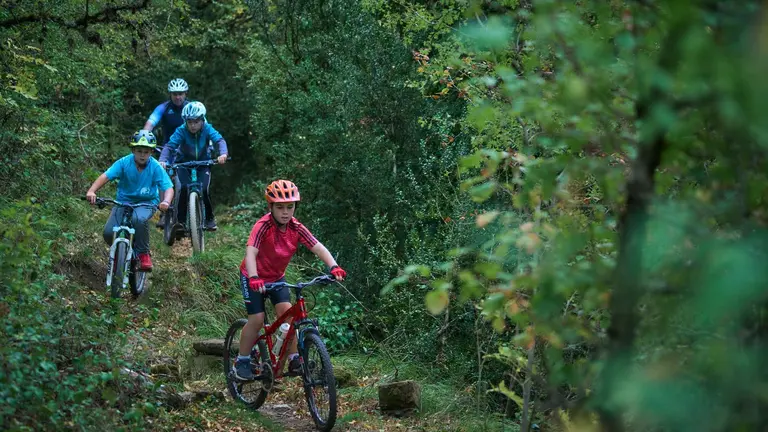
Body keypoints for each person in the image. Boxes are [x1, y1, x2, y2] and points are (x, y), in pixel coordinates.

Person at [234, 180, 347, 381]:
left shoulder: (296, 227)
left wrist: (333, 266)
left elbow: (317, 247)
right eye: (280, 207)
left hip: (277, 278)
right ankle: (242, 360)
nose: (285, 212)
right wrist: (253, 277)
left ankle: (295, 357)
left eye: (290, 207)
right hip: (253, 277)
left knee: (289, 315)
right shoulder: (263, 226)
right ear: (270, 207)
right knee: (257, 319)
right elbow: (251, 253)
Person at [86, 131, 174, 271]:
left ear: (151, 152)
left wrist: (166, 202)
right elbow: (106, 176)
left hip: (147, 202)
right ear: (133, 150)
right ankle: (122, 253)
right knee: (109, 233)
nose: (142, 155)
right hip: (123, 202)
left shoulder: (155, 166)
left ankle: (143, 254)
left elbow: (168, 187)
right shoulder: (123, 163)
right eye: (139, 151)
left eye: (146, 151)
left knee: (138, 219)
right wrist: (92, 191)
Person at [158, 101, 228, 231]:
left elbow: (219, 140)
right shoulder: (181, 131)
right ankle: (180, 222)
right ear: (185, 121)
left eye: (196, 122)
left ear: (202, 120)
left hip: (203, 164)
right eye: (190, 122)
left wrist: (223, 154)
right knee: (183, 188)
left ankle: (209, 219)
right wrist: (163, 160)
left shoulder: (207, 129)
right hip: (183, 164)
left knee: (205, 190)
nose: (193, 125)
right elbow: (169, 146)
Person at [144, 78, 189, 228]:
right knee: (164, 177)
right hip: (167, 150)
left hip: (187, 151)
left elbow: (205, 125)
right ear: (170, 94)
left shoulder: (191, 108)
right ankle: (164, 213)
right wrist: (144, 136)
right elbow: (151, 122)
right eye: (175, 94)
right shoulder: (163, 108)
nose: (178, 97)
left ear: (185, 93)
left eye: (181, 94)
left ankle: (193, 210)